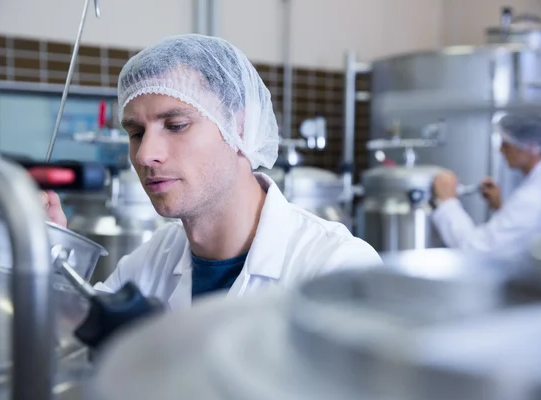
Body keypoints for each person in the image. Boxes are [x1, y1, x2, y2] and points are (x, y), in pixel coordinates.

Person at [43, 34, 382, 310]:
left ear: (240, 126)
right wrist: (41, 253)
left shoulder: (337, 267)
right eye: (136, 133)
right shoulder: (151, 262)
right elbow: (73, 346)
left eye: (175, 125)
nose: (145, 154)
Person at [431, 112, 541, 260]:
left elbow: (476, 249)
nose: (500, 150)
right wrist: (501, 208)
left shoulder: (532, 197)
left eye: (507, 145)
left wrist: (448, 201)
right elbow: (525, 234)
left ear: (531, 147)